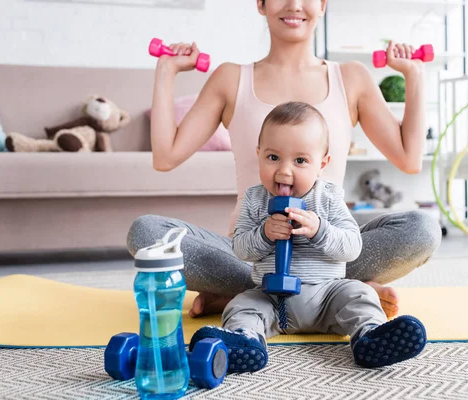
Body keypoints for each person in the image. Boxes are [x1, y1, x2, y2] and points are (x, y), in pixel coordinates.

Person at [127, 0, 441, 320]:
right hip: (250, 255)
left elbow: (409, 159)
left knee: (422, 229)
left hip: (328, 253)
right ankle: (334, 294)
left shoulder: (352, 78)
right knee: (147, 234)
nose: (294, 5)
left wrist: (415, 76)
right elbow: (165, 157)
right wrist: (166, 71)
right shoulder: (230, 78)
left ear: (322, 5)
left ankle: (251, 296)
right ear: (261, 4)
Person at [190, 101, 426, 372]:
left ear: (322, 164)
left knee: (358, 294)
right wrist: (264, 234)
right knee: (241, 305)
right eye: (273, 157)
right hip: (270, 296)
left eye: (300, 160)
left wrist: (320, 230)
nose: (284, 170)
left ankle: (369, 336)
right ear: (258, 154)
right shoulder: (255, 199)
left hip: (327, 295)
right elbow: (241, 249)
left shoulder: (328, 197)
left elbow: (352, 247)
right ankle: (246, 341)